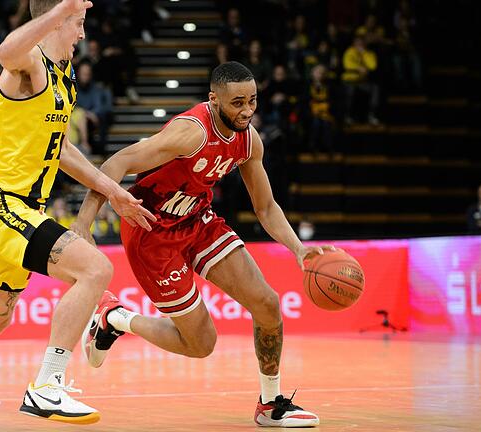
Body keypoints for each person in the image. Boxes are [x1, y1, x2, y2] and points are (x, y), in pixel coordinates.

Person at [0, 0, 156, 429]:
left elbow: (61, 150)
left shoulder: (63, 79)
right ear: (57, 21)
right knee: (95, 270)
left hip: (20, 209)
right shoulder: (30, 66)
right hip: (1, 205)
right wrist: (59, 8)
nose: (82, 34)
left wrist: (114, 191)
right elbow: (6, 51)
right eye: (77, 24)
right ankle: (48, 385)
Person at [73, 61, 334, 428]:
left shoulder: (248, 140)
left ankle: (270, 404)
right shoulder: (190, 132)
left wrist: (298, 248)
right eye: (237, 103)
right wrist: (84, 222)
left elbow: (265, 206)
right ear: (214, 100)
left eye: (252, 101)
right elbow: (120, 161)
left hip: (197, 221)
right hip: (152, 235)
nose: (246, 111)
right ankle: (114, 319)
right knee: (201, 344)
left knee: (267, 303)